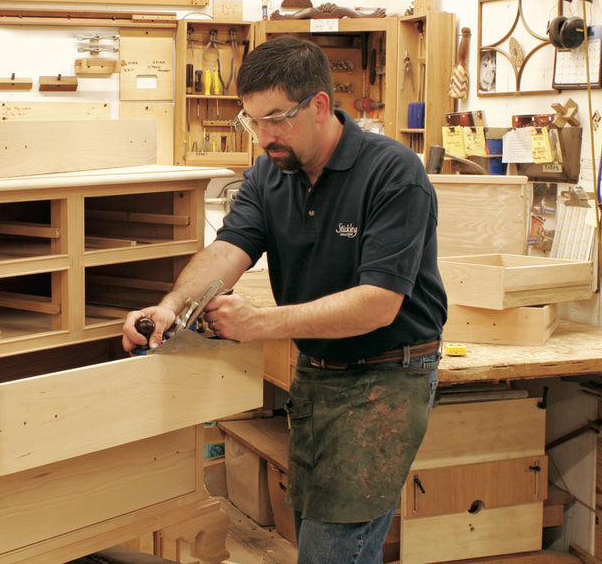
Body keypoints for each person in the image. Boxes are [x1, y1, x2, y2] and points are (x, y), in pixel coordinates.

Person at [122, 35, 447, 564]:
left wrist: (259, 322)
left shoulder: (393, 174)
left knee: (334, 548)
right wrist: (172, 305)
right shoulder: (270, 173)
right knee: (312, 533)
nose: (264, 136)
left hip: (386, 376)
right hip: (316, 370)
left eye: (276, 119)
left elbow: (378, 304)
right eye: (252, 121)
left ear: (320, 105)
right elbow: (229, 248)